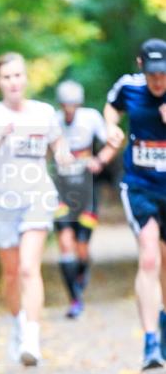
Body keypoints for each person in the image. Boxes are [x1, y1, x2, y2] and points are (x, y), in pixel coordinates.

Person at [0, 52, 71, 365]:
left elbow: (59, 147)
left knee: (28, 268)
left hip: (37, 197)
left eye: (18, 75)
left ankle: (32, 340)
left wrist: (66, 156)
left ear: (26, 79)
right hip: (0, 204)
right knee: (11, 275)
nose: (13, 82)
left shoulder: (44, 113)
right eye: (7, 77)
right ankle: (17, 325)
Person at [104, 38, 166, 370]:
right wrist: (110, 128)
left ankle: (164, 322)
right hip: (139, 186)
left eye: (164, 74)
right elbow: (111, 107)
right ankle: (151, 342)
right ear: (141, 66)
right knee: (149, 256)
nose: (159, 81)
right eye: (153, 74)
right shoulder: (128, 87)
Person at [53, 80, 111, 318]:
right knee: (65, 243)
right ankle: (75, 299)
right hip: (61, 189)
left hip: (87, 189)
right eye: (66, 105)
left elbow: (112, 141)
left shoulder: (91, 118)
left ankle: (82, 268)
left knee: (82, 247)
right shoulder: (53, 121)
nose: (69, 110)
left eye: (73, 105)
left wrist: (101, 160)